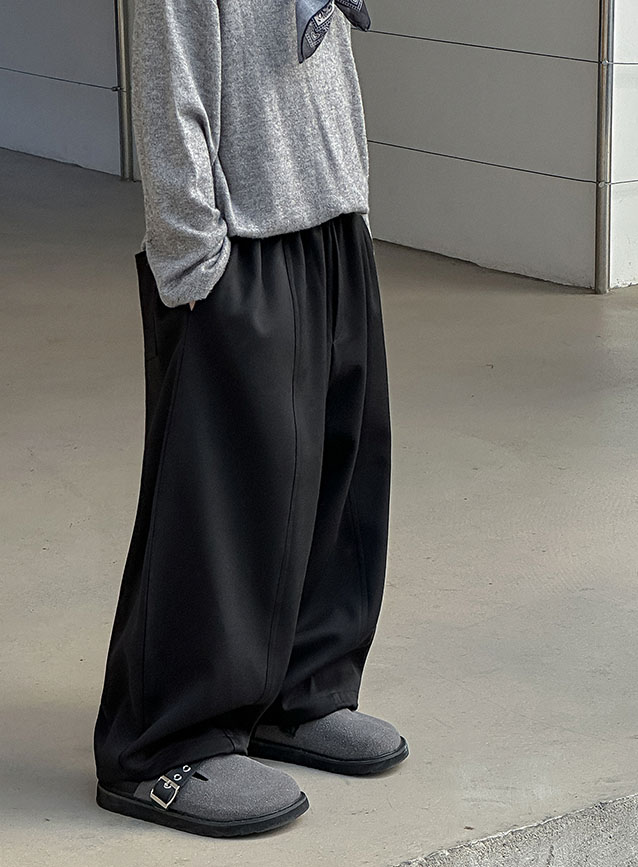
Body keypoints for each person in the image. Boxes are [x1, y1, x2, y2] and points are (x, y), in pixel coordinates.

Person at [92, 0, 408, 838]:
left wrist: (351, 197)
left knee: (339, 475)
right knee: (223, 503)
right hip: (240, 235)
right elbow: (169, 80)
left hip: (330, 209)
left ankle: (302, 691)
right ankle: (162, 745)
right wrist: (194, 258)